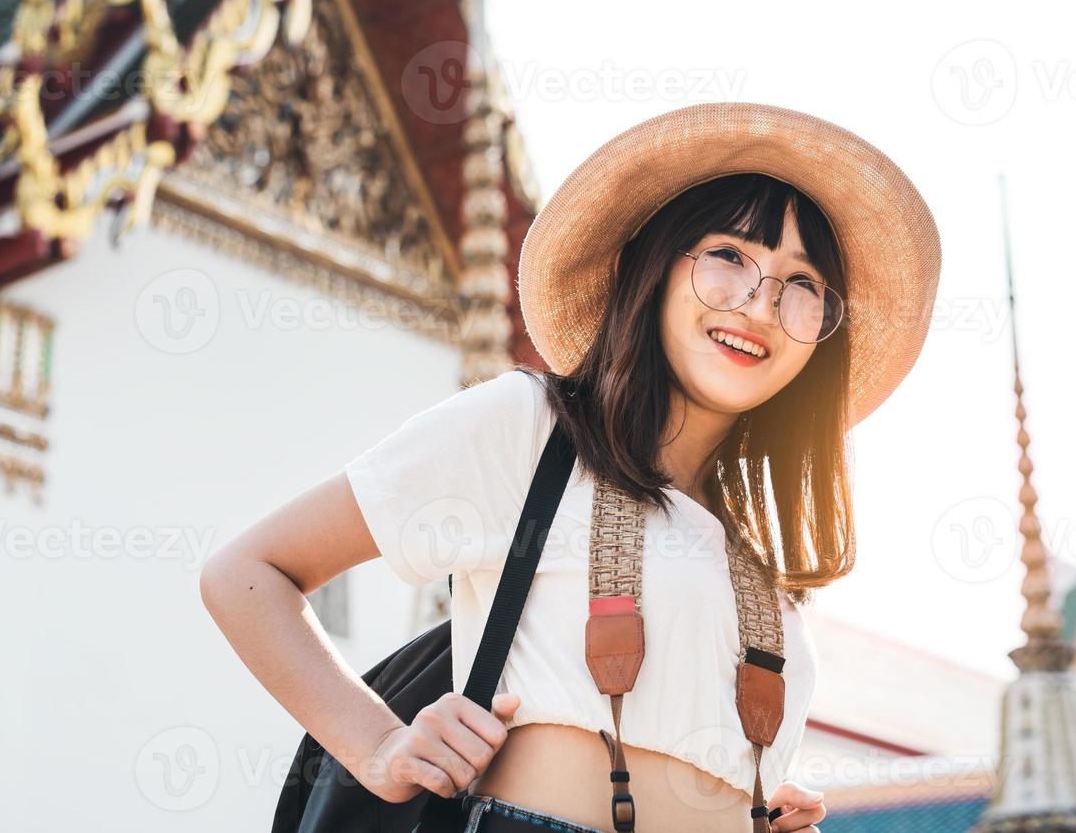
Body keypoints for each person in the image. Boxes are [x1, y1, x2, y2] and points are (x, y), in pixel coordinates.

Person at [200, 102, 942, 832]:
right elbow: (248, 574)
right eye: (728, 259)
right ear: (648, 269)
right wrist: (380, 745)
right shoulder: (531, 431)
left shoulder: (760, 566)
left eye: (802, 287)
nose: (758, 304)